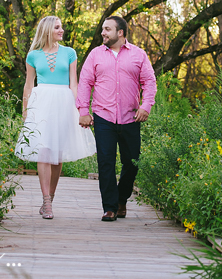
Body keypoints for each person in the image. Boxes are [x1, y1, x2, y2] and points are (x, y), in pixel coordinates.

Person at [75, 16, 157, 221]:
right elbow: (85, 82)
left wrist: (146, 106)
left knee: (132, 163)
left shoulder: (139, 55)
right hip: (103, 117)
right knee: (106, 163)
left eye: (107, 29)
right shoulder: (95, 55)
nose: (103, 32)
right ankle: (109, 208)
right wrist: (83, 111)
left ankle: (122, 199)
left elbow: (149, 82)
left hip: (131, 117)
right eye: (103, 29)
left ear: (120, 33)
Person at [15, 16, 97, 219]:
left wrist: (81, 110)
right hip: (41, 103)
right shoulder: (33, 55)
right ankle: (46, 201)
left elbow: (74, 84)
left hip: (64, 102)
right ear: (47, 30)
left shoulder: (70, 53)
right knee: (43, 150)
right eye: (58, 27)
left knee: (57, 154)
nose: (62, 30)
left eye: (62, 27)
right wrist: (25, 110)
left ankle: (51, 197)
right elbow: (28, 84)